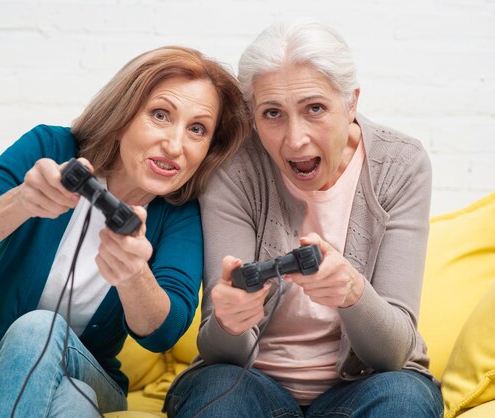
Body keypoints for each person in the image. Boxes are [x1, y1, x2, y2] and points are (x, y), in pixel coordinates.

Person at [0, 45, 250, 418]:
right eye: (159, 115)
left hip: (89, 373)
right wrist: (20, 202)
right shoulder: (49, 148)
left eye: (197, 129)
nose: (174, 145)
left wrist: (134, 274)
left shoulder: (179, 213)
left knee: (38, 331)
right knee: (71, 402)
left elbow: (162, 334)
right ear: (123, 115)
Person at [165, 21, 443, 417]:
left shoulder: (401, 163)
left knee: (403, 399)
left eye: (315, 108)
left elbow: (395, 353)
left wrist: (352, 293)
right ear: (253, 116)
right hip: (248, 381)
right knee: (216, 394)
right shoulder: (234, 169)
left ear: (351, 103)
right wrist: (228, 322)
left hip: (367, 386)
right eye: (272, 113)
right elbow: (216, 351)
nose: (295, 139)